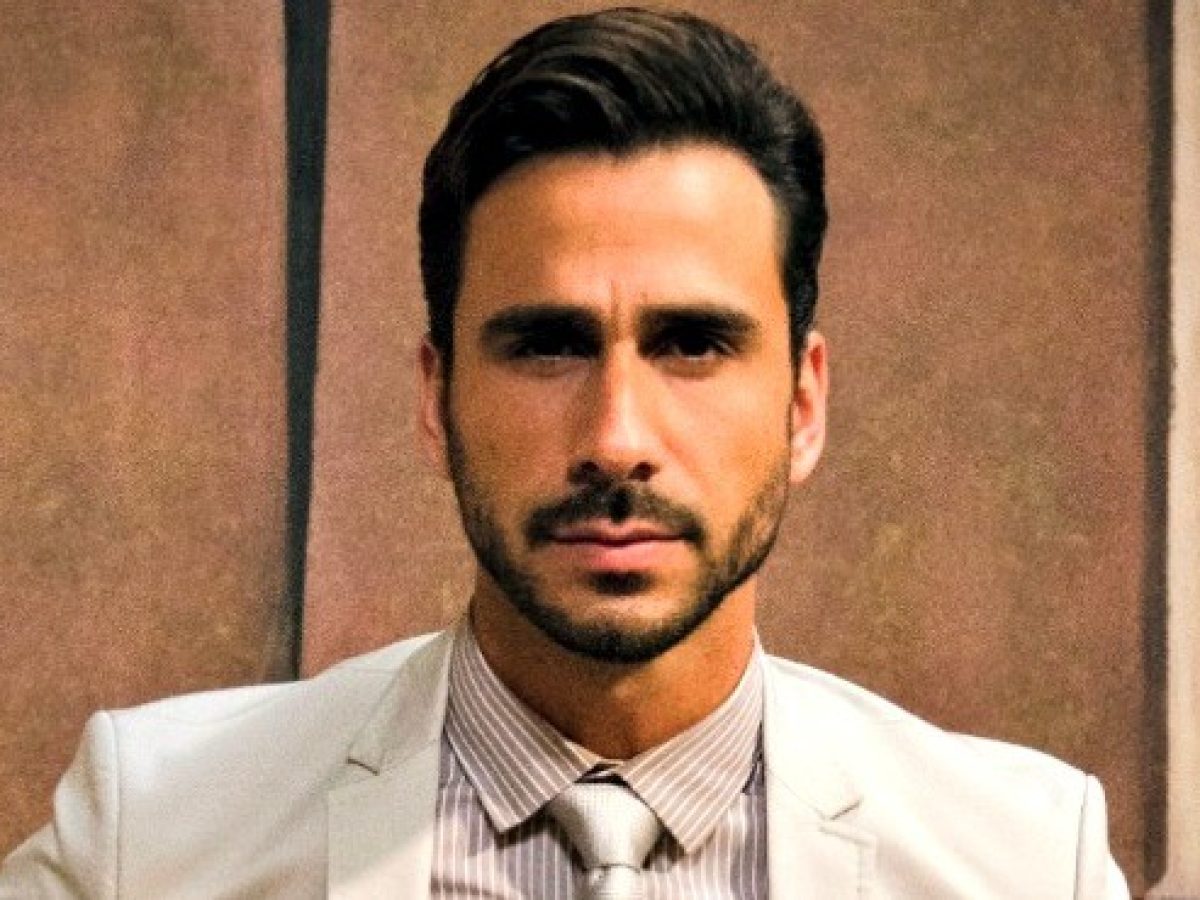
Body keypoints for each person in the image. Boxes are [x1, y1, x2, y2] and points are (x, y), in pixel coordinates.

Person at [1, 7, 1129, 898]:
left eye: (692, 344)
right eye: (547, 345)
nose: (616, 440)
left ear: (802, 404)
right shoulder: (149, 837)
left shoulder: (1029, 863)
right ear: (437, 399)